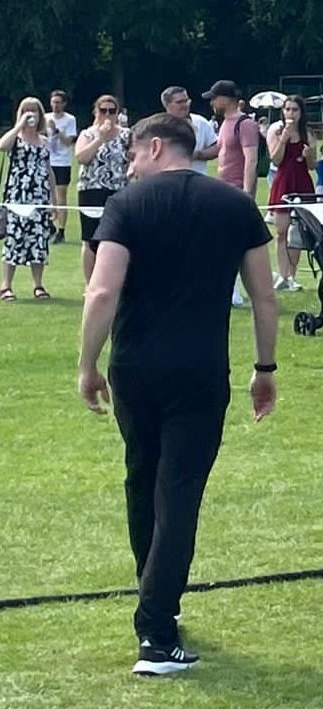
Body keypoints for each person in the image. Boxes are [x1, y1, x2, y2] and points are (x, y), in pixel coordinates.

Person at [76, 113, 277, 677]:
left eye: (135, 155)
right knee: (178, 495)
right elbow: (264, 297)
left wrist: (87, 365)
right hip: (200, 370)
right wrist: (265, 367)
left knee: (142, 482)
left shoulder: (126, 205)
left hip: (136, 369)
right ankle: (157, 630)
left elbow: (102, 290)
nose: (132, 165)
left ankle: (155, 612)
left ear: (156, 147)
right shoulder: (235, 205)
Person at [205, 81, 260, 305]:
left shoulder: (244, 124)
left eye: (214, 98)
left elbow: (251, 159)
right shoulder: (225, 123)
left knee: (232, 241)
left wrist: (246, 192)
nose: (211, 102)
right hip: (223, 188)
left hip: (236, 189)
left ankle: (235, 291)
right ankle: (228, 287)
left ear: (226, 99)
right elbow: (220, 150)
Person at [2, 96, 55, 300]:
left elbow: (48, 170)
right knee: (14, 239)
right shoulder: (15, 139)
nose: (31, 114)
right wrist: (19, 126)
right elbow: (2, 146)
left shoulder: (44, 141)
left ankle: (38, 285)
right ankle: (6, 285)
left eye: (34, 110)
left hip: (39, 197)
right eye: (26, 110)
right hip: (17, 195)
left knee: (39, 240)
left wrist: (53, 201)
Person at [76, 94, 131, 285]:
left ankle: (115, 282)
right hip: (91, 189)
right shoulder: (87, 134)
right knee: (90, 240)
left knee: (118, 237)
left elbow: (134, 160)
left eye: (112, 110)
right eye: (103, 110)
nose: (107, 114)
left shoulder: (126, 135)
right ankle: (90, 284)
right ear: (95, 112)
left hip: (118, 189)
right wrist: (100, 138)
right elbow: (81, 158)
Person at [265, 95, 315, 290]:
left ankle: (291, 276)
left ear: (301, 113)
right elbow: (276, 160)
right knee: (281, 232)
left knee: (298, 233)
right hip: (283, 182)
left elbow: (312, 166)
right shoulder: (275, 131)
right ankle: (283, 275)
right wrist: (284, 140)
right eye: (287, 109)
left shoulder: (308, 134)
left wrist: (309, 156)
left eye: (295, 110)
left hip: (302, 182)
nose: (291, 113)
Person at [160, 86, 219, 173]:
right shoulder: (159, 127)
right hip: (168, 180)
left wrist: (199, 155)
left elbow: (216, 147)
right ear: (167, 104)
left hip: (198, 179)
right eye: (179, 102)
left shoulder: (200, 122)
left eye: (186, 101)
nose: (185, 105)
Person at [45, 89, 77, 242]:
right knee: (45, 194)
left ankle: (61, 231)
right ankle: (48, 225)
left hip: (62, 161)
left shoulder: (70, 120)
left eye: (58, 102)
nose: (55, 106)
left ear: (64, 104)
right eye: (53, 102)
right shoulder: (45, 118)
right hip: (46, 160)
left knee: (61, 195)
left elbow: (69, 142)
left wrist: (56, 130)